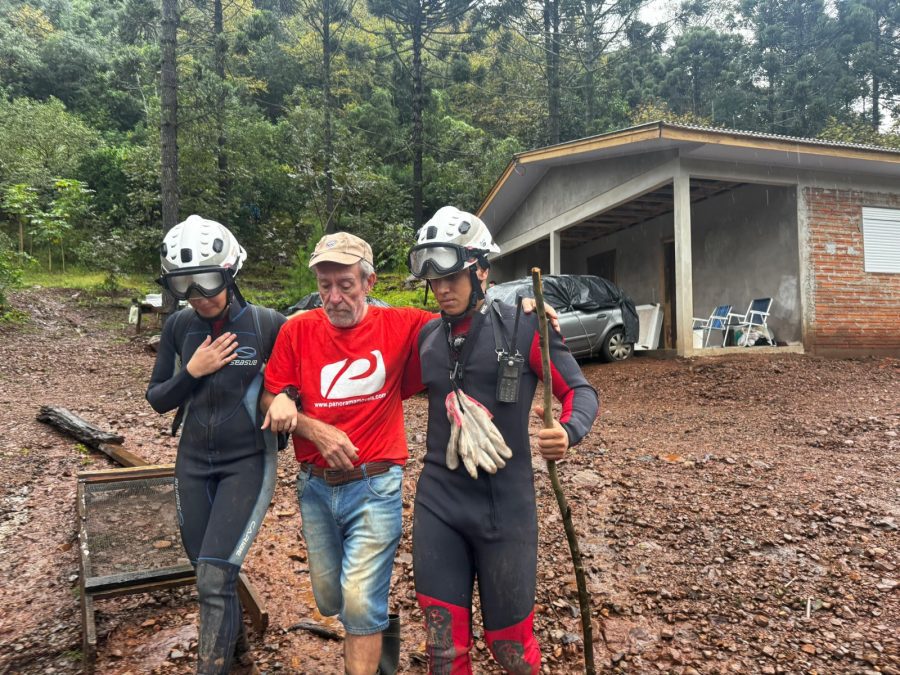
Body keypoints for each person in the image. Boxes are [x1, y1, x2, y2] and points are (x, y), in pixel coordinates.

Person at [261, 231, 557, 675]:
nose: (334, 297)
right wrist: (300, 418)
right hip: (315, 486)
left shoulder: (406, 325)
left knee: (359, 601)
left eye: (346, 285)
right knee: (331, 599)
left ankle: (371, 628)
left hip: (376, 483)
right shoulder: (297, 329)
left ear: (369, 282)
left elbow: (468, 312)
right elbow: (270, 396)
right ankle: (381, 630)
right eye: (325, 286)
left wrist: (526, 308)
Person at [407, 206, 599, 674]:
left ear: (481, 271)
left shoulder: (524, 326)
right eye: (434, 280)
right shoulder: (426, 336)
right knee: (443, 648)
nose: (442, 289)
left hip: (505, 511)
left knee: (511, 650)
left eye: (452, 276)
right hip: (438, 505)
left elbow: (580, 391)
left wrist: (566, 431)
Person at [146, 215, 285, 675]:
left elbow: (300, 381)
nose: (198, 295)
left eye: (207, 282)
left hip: (248, 462)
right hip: (192, 463)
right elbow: (157, 399)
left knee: (213, 574)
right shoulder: (178, 327)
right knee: (209, 573)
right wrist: (193, 370)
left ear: (230, 273)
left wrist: (286, 396)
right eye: (183, 285)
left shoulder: (268, 324)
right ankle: (238, 655)